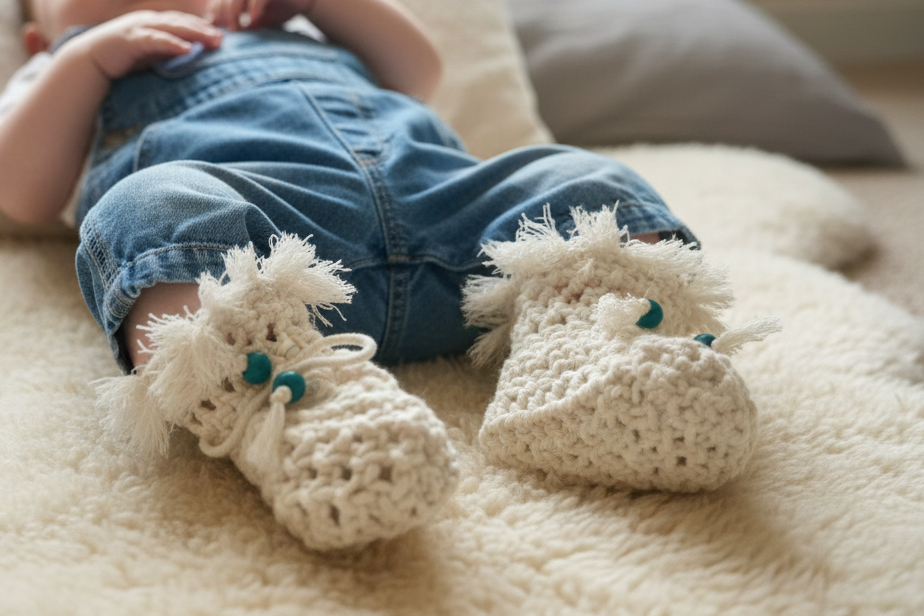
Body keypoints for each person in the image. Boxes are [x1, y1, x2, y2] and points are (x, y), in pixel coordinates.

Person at [0, 0, 771, 551]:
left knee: (579, 180)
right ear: (39, 35)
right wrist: (85, 61)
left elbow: (420, 69)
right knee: (149, 208)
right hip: (269, 265)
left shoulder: (292, 24)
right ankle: (291, 405)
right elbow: (22, 187)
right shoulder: (65, 74)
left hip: (459, 231)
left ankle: (585, 354)